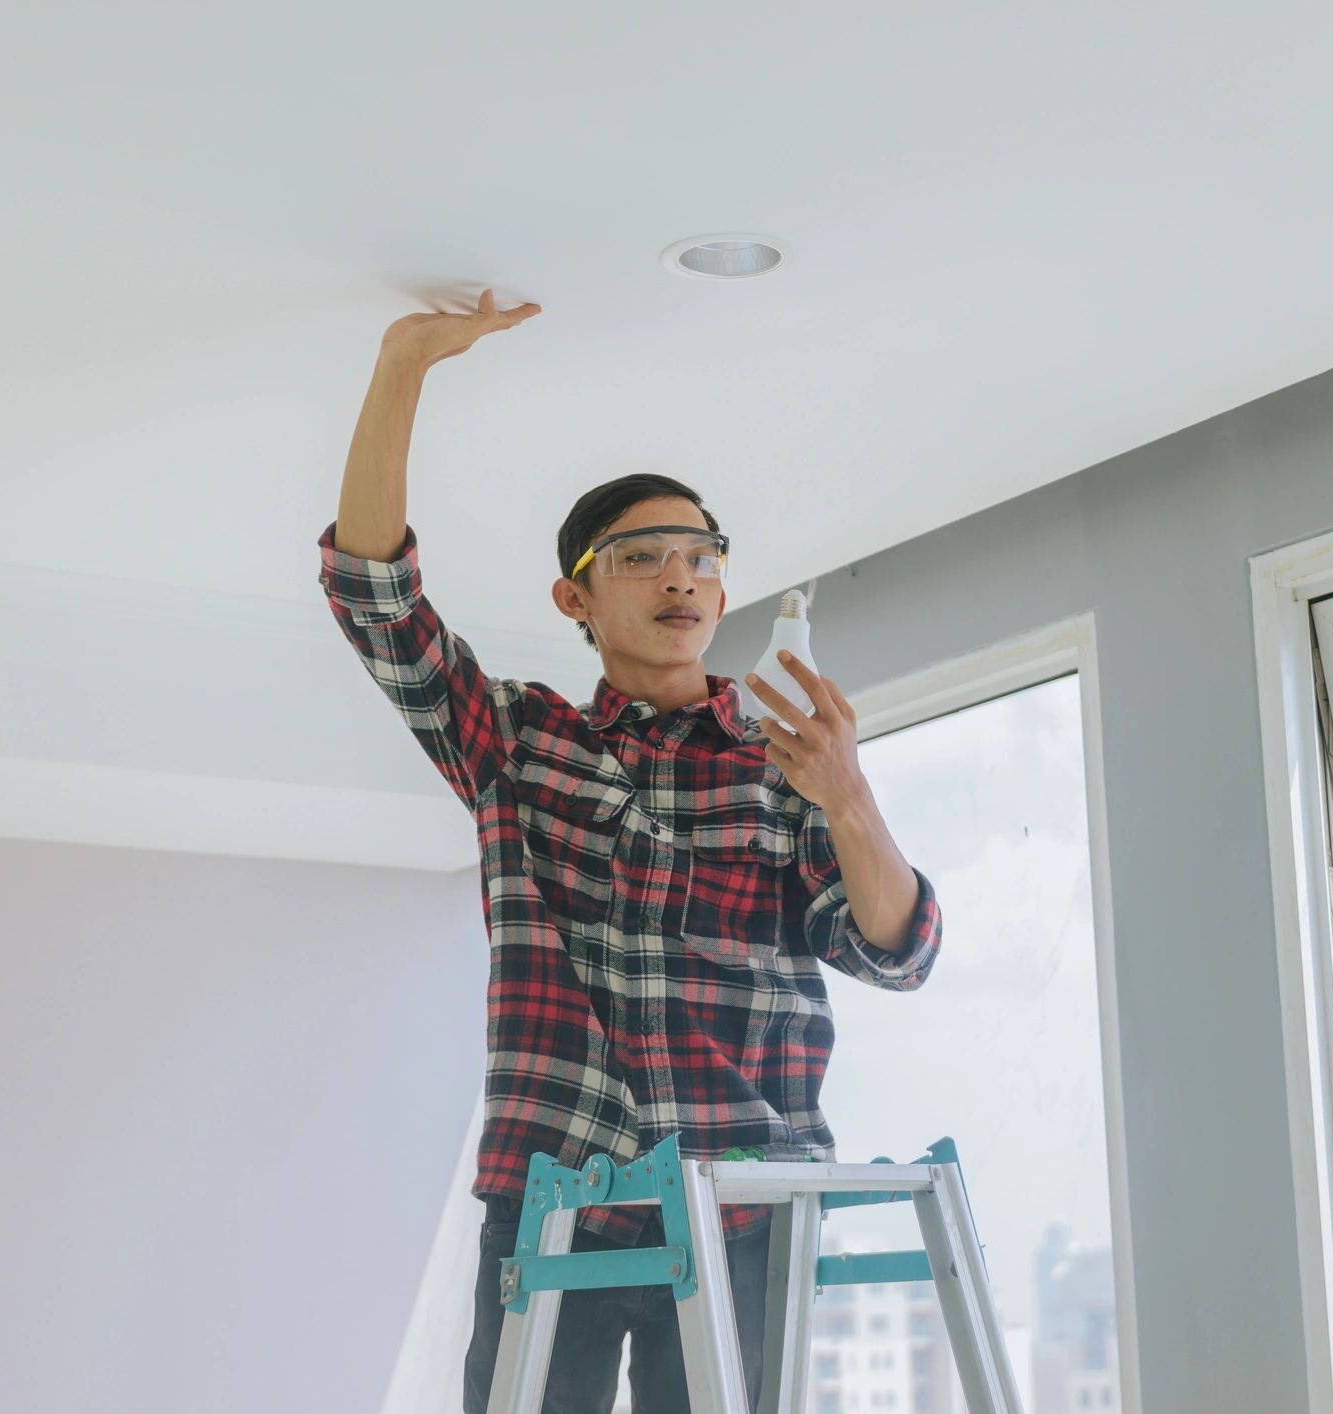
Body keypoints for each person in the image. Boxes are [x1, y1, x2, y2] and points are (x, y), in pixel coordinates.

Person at [316, 290, 943, 1413]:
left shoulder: (782, 764)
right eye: (643, 556)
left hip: (745, 1205)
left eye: (700, 555)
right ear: (577, 597)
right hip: (559, 1193)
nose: (680, 577)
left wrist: (848, 795)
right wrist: (406, 362)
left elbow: (896, 951)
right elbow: (374, 596)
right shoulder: (520, 743)